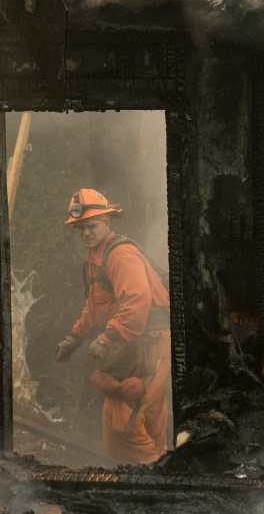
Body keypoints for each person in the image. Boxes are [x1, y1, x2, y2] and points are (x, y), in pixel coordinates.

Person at [54, 188, 171, 465]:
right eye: (79, 228)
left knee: (124, 422)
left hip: (149, 345)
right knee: (149, 417)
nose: (85, 232)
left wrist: (108, 339)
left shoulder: (120, 256)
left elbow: (137, 302)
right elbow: (96, 306)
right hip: (141, 344)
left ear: (108, 221)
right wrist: (75, 337)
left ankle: (149, 476)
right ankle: (161, 475)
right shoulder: (96, 257)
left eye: (91, 225)